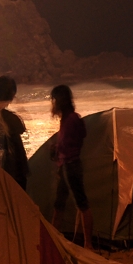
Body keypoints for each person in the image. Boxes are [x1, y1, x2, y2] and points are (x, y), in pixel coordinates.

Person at [49, 84, 93, 248]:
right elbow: (81, 136)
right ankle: (54, 241)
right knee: (59, 204)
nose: (52, 104)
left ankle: (88, 245)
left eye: (53, 100)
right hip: (66, 165)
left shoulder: (71, 119)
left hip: (70, 165)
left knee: (82, 204)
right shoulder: (70, 118)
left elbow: (70, 143)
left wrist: (58, 149)